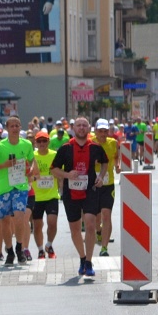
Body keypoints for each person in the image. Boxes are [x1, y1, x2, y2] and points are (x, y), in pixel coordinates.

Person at [50, 116, 108, 278]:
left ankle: (89, 262)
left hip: (90, 191)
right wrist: (67, 175)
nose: (81, 128)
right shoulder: (65, 148)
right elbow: (53, 169)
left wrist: (101, 176)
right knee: (75, 229)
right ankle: (82, 258)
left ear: (88, 129)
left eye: (84, 125)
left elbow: (105, 162)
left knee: (90, 225)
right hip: (71, 193)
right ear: (73, 128)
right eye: (78, 125)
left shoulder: (95, 147)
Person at [0, 116, 35, 265]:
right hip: (3, 188)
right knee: (5, 221)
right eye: (12, 126)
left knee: (19, 217)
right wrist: (4, 165)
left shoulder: (26, 144)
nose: (15, 128)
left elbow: (32, 160)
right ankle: (10, 250)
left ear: (20, 127)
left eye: (17, 125)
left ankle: (19, 247)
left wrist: (31, 169)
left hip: (20, 187)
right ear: (7, 128)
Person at [29, 129, 59, 259]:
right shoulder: (32, 156)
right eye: (39, 141)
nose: (42, 143)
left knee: (52, 223)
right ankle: (41, 250)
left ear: (48, 142)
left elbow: (60, 171)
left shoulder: (55, 155)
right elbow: (27, 174)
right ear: (35, 143)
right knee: (37, 226)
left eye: (44, 141)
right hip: (36, 197)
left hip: (52, 195)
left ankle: (49, 244)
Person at [92, 119, 120, 257]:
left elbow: (116, 156)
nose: (103, 134)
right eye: (100, 131)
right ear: (96, 131)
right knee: (96, 218)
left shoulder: (113, 142)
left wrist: (117, 165)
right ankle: (98, 231)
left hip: (108, 184)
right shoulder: (90, 142)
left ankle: (104, 247)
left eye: (105, 131)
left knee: (106, 215)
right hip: (93, 184)